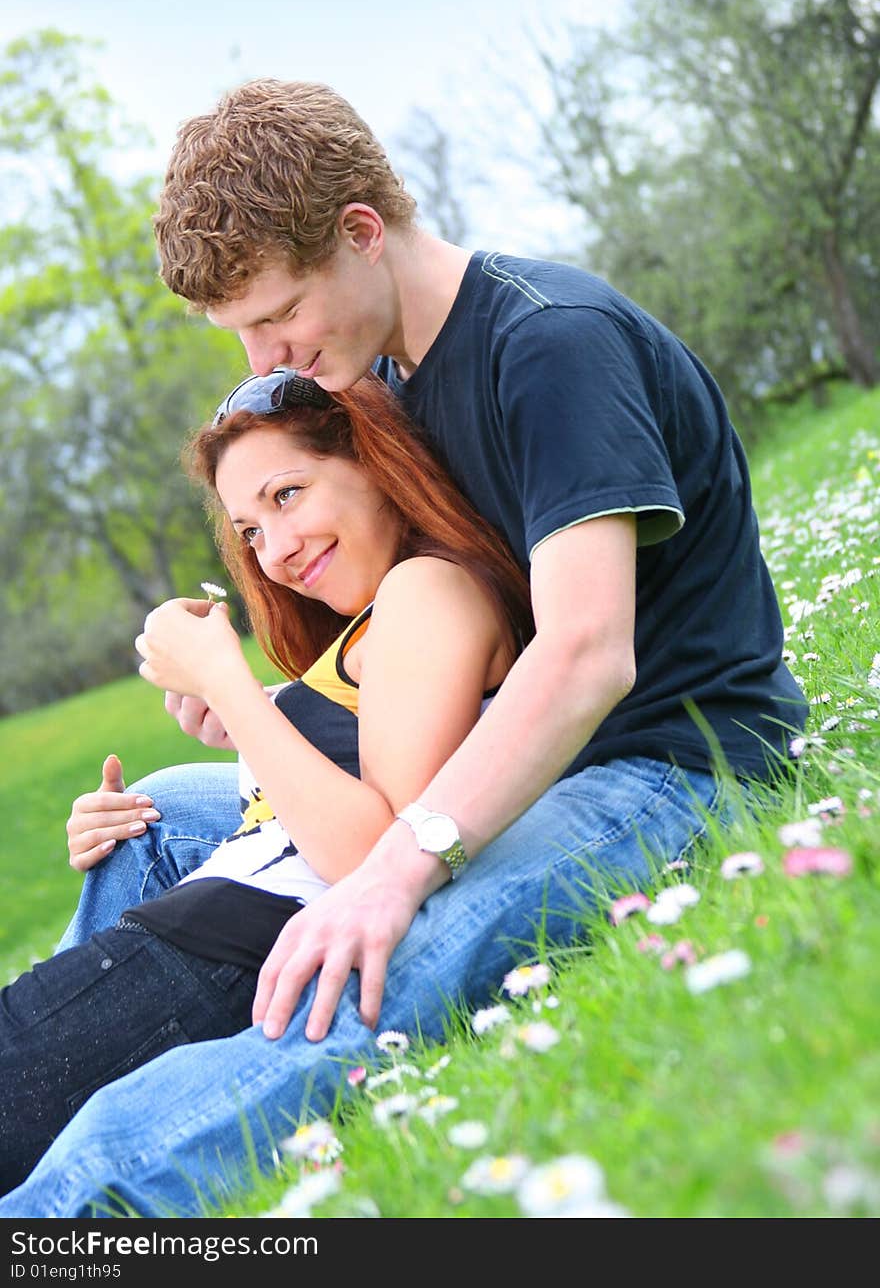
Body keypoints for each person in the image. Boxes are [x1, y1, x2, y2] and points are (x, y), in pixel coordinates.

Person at [0, 78, 807, 1218]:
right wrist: (255, 719)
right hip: (506, 757)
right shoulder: (379, 375)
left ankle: (67, 1205)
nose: (265, 350)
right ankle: (76, 1040)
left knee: (377, 959)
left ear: (362, 234)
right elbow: (417, 648)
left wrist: (394, 869)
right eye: (239, 331)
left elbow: (585, 653)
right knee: (161, 814)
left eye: (276, 313)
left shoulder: (547, 345)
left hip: (660, 768)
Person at [0, 367, 530, 1197]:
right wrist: (240, 724)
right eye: (249, 529)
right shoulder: (382, 616)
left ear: (375, 460)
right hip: (187, 946)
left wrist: (231, 687)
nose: (274, 550)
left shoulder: (430, 587)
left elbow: (379, 854)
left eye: (288, 495)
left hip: (215, 959)